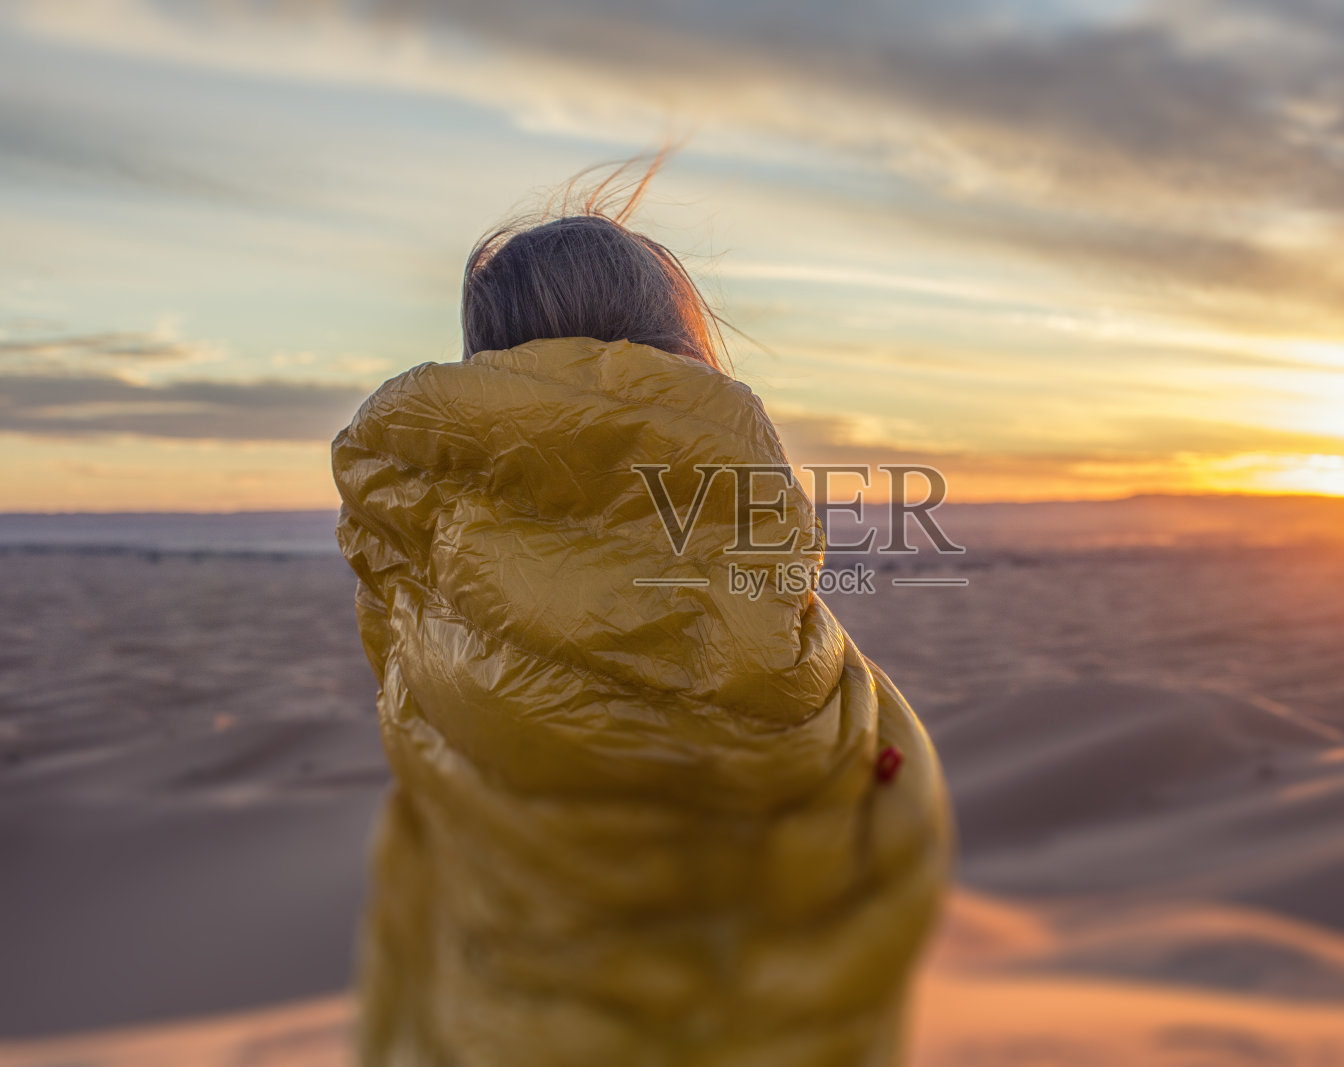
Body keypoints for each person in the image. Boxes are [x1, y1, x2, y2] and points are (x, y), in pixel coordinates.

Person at [330, 152, 952, 1067]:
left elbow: (429, 881)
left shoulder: (427, 606)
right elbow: (880, 826)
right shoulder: (769, 623)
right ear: (685, 348)